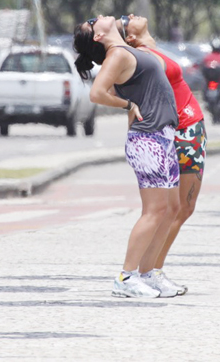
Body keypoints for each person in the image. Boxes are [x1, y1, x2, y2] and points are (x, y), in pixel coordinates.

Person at [73, 15, 181, 298]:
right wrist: (128, 104)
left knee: (171, 208)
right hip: (148, 138)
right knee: (154, 211)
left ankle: (149, 274)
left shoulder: (127, 50)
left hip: (163, 135)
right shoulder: (117, 54)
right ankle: (126, 276)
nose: (100, 16)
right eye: (92, 21)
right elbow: (97, 93)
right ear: (98, 36)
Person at [118, 14, 206, 295]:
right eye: (124, 20)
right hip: (178, 131)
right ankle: (149, 271)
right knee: (173, 209)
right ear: (129, 37)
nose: (130, 15)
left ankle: (151, 271)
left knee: (182, 208)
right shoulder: (138, 55)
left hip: (190, 128)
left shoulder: (152, 50)